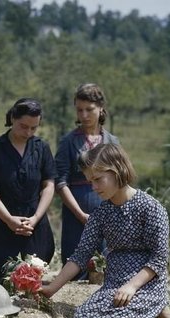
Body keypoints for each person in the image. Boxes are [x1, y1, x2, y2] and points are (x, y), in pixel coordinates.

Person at [41, 143, 170, 318]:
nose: (93, 187)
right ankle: (147, 308)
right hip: (114, 283)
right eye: (89, 182)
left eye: (97, 179)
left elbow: (159, 258)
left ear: (117, 170)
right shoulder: (101, 214)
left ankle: (160, 303)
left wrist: (131, 286)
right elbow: (80, 256)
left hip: (145, 282)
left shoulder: (151, 208)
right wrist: (51, 288)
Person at [0, 97, 57, 282]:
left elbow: (49, 185)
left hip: (34, 223)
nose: (28, 132)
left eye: (33, 128)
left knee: (34, 274)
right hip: (1, 223)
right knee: (2, 277)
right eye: (23, 126)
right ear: (12, 118)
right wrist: (8, 220)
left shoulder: (42, 148)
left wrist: (36, 218)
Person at [55, 83, 120, 279]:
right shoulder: (68, 141)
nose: (84, 115)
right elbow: (60, 181)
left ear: (101, 108)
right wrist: (81, 214)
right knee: (76, 264)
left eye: (89, 109)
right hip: (76, 212)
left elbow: (119, 179)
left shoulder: (112, 142)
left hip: (107, 210)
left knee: (105, 265)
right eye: (79, 110)